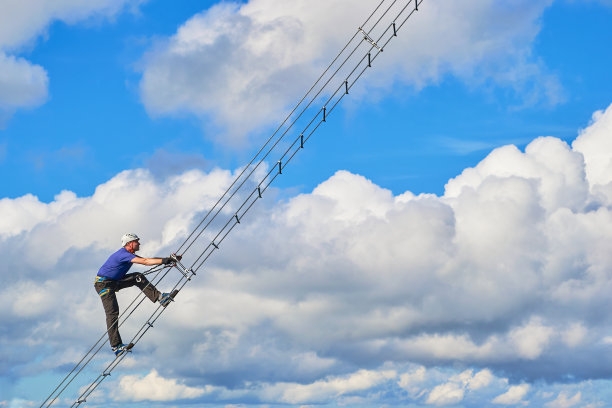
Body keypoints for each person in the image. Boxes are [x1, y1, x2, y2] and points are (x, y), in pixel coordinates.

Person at [94, 233, 182, 356]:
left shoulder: (129, 254)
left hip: (114, 282)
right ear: (130, 243)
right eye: (137, 241)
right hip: (103, 284)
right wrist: (165, 260)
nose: (139, 243)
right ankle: (116, 346)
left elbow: (148, 260)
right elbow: (145, 261)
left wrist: (167, 260)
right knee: (112, 313)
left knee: (137, 277)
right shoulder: (123, 254)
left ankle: (161, 298)